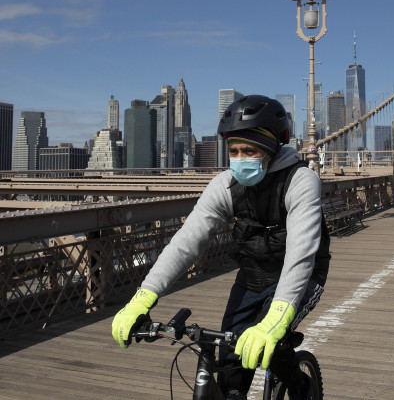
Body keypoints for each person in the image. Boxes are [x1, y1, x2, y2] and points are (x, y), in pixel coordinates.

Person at [111, 95, 329, 400]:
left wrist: (276, 319)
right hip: (253, 275)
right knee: (231, 364)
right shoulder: (225, 186)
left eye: (250, 150)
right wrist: (142, 298)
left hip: (303, 277)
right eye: (234, 151)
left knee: (272, 343)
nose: (240, 159)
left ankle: (301, 385)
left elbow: (301, 255)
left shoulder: (300, 181)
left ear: (271, 149)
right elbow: (186, 243)